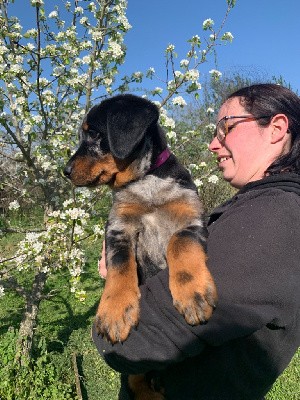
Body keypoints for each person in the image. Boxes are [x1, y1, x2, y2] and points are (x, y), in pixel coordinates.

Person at [92, 83, 300, 400]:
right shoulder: (254, 206)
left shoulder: (276, 215)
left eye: (224, 128)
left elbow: (127, 345)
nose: (212, 145)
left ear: (276, 128)